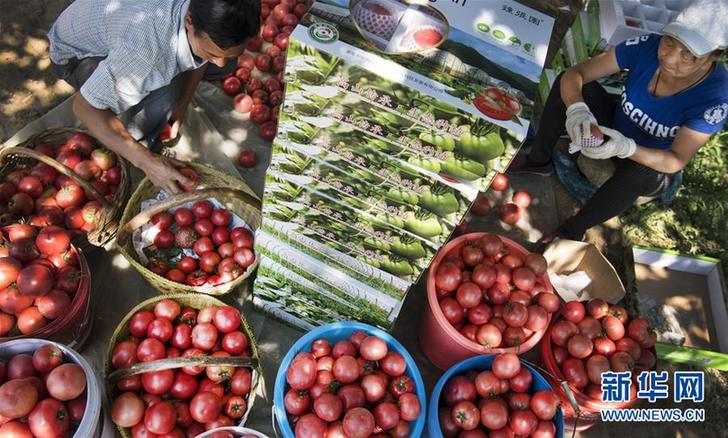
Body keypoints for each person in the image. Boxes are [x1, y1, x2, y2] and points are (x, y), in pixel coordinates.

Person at [509, 0, 728, 242]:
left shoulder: (714, 98)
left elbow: (675, 160)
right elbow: (576, 74)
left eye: (688, 55)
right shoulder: (646, 47)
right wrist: (577, 110)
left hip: (647, 160)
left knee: (641, 172)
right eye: (670, 41)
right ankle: (539, 160)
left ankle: (574, 228)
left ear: (715, 55)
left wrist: (626, 148)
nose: (670, 57)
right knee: (571, 84)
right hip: (613, 126)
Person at [47, 0, 260, 194]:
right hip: (76, 56)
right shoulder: (144, 53)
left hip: (109, 23)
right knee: (162, 100)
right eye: (212, 53)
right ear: (189, 22)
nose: (219, 62)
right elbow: (84, 107)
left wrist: (182, 105)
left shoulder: (204, 15)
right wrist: (146, 161)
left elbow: (209, 55)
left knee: (226, 64)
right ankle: (135, 140)